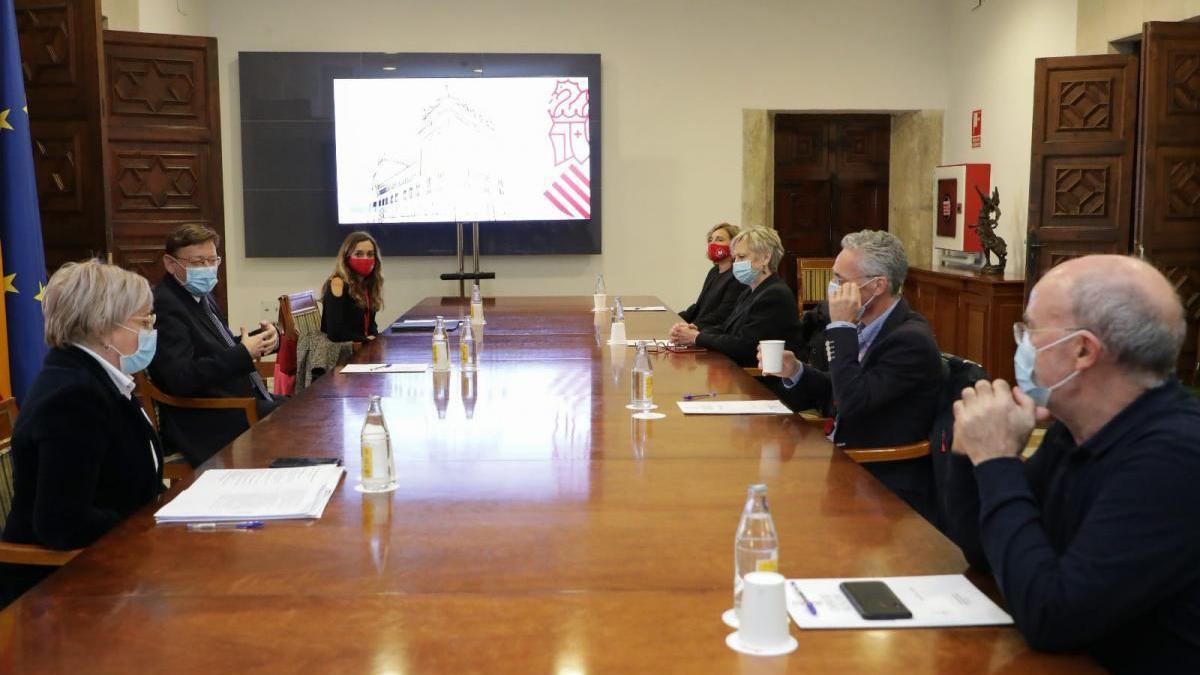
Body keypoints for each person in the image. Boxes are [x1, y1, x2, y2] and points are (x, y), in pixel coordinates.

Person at [949, 255, 1200, 673]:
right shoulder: (1077, 427)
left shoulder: (1175, 456)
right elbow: (987, 551)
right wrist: (972, 454)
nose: (1022, 343)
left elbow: (1052, 616)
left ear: (1083, 349)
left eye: (1028, 329)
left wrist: (995, 460)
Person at [2, 261, 164, 606]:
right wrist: (144, 528)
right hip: (64, 591)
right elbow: (61, 523)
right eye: (143, 321)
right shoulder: (74, 396)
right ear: (104, 328)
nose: (151, 331)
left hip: (117, 561)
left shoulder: (95, 378)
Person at [768, 230, 943, 509]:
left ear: (878, 285)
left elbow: (852, 402)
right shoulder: (869, 325)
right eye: (833, 278)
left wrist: (841, 328)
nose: (833, 288)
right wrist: (796, 371)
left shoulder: (909, 340)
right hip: (844, 456)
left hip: (877, 477)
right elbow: (841, 388)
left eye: (842, 281)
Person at [148, 224, 280, 467]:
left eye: (212, 260)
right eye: (198, 262)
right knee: (300, 418)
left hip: (239, 400)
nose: (207, 269)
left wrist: (265, 340)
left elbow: (220, 347)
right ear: (170, 263)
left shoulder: (201, 294)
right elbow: (181, 378)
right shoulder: (166, 304)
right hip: (209, 417)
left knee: (310, 407)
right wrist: (242, 353)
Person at [669, 227, 801, 367]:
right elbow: (726, 329)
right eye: (735, 257)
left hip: (764, 379)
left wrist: (697, 337)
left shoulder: (775, 294)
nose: (736, 263)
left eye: (742, 257)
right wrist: (691, 332)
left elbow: (745, 346)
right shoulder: (750, 291)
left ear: (765, 258)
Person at [677, 222, 742, 330]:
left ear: (734, 245)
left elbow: (723, 314)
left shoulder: (737, 275)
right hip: (699, 329)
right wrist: (674, 319)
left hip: (712, 332)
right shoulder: (714, 271)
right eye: (710, 240)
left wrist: (693, 327)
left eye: (719, 239)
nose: (713, 244)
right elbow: (700, 306)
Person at [321, 231, 384, 342]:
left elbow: (371, 325)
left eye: (370, 254)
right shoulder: (337, 283)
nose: (365, 258)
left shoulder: (367, 284)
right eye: (358, 254)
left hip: (362, 349)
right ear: (346, 257)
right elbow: (335, 333)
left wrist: (376, 339)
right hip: (342, 354)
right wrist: (365, 340)